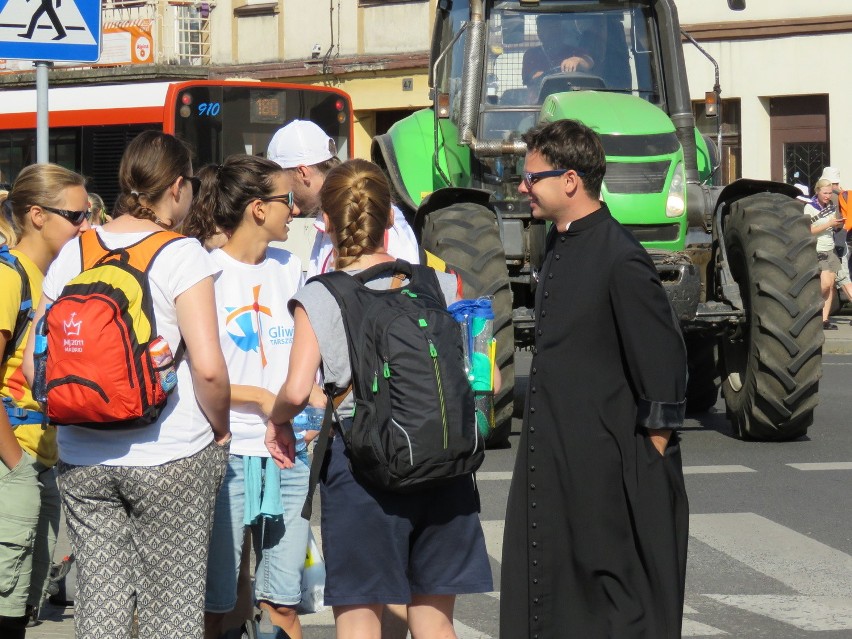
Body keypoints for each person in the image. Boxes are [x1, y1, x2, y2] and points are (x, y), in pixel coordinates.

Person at [264, 159, 493, 639]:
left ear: (324, 224)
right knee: (435, 623)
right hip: (444, 462)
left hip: (363, 469)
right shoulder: (441, 284)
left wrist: (278, 421)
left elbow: (295, 388)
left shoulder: (321, 296)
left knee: (361, 620)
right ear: (391, 219)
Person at [23, 130, 232, 639]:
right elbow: (207, 368)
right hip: (170, 453)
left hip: (82, 456)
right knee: (171, 609)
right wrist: (221, 429)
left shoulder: (75, 251)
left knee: (102, 604)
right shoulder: (181, 254)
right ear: (178, 187)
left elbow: (34, 368)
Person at [500, 119, 688, 639]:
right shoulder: (557, 245)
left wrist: (645, 456)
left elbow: (663, 371)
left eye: (531, 176)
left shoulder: (620, 257)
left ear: (569, 181)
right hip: (558, 462)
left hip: (605, 473)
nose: (522, 186)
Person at [188, 155, 318, 639]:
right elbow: (195, 371)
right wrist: (264, 399)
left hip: (290, 453)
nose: (296, 209)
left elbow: (310, 355)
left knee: (282, 605)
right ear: (258, 210)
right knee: (219, 608)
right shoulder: (203, 270)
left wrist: (309, 397)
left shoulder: (292, 268)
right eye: (288, 200)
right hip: (226, 454)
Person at [0, 164, 89, 638]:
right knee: (5, 606)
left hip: (41, 460)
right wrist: (15, 464)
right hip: (13, 456)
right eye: (75, 215)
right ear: (37, 215)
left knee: (25, 605)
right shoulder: (7, 277)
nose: (86, 226)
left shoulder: (52, 279)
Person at [266, 119, 419, 278]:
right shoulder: (327, 215)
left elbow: (403, 290)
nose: (289, 204)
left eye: (287, 188)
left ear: (303, 173)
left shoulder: (372, 211)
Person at [805, 177, 851, 330]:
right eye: (825, 193)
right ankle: (808, 307)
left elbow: (832, 227)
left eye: (830, 193)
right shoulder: (809, 207)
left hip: (830, 248)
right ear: (817, 191)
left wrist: (838, 224)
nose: (828, 196)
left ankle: (824, 320)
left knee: (831, 284)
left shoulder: (831, 205)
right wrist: (828, 224)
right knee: (824, 284)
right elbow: (808, 230)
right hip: (818, 248)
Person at [522, 13, 594, 87]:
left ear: (561, 30)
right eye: (547, 29)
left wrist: (577, 60)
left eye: (555, 28)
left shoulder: (573, 51)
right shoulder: (531, 54)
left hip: (569, 95)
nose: (552, 32)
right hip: (540, 97)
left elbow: (590, 62)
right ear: (539, 33)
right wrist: (543, 75)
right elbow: (530, 79)